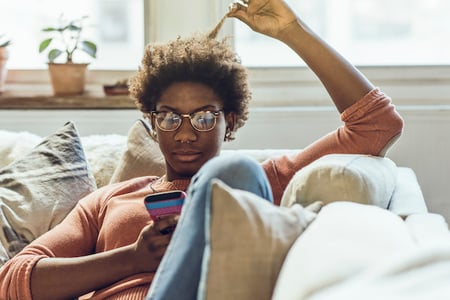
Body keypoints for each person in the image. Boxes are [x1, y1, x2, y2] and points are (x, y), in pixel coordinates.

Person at [0, 0, 403, 299]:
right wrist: (132, 260)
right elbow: (14, 279)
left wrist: (292, 31)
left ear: (230, 122)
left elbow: (376, 125)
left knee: (233, 177)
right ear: (153, 122)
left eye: (205, 118)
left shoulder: (263, 180)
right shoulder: (109, 199)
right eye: (170, 118)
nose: (186, 134)